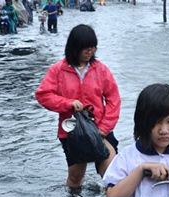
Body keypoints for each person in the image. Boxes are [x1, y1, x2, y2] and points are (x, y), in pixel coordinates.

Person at [36, 24, 121, 188]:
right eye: (86, 49)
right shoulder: (58, 70)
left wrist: (104, 128)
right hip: (72, 132)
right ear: (74, 48)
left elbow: (113, 99)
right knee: (75, 179)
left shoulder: (101, 70)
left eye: (93, 48)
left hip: (100, 129)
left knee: (112, 176)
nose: (90, 52)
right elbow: (43, 95)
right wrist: (67, 103)